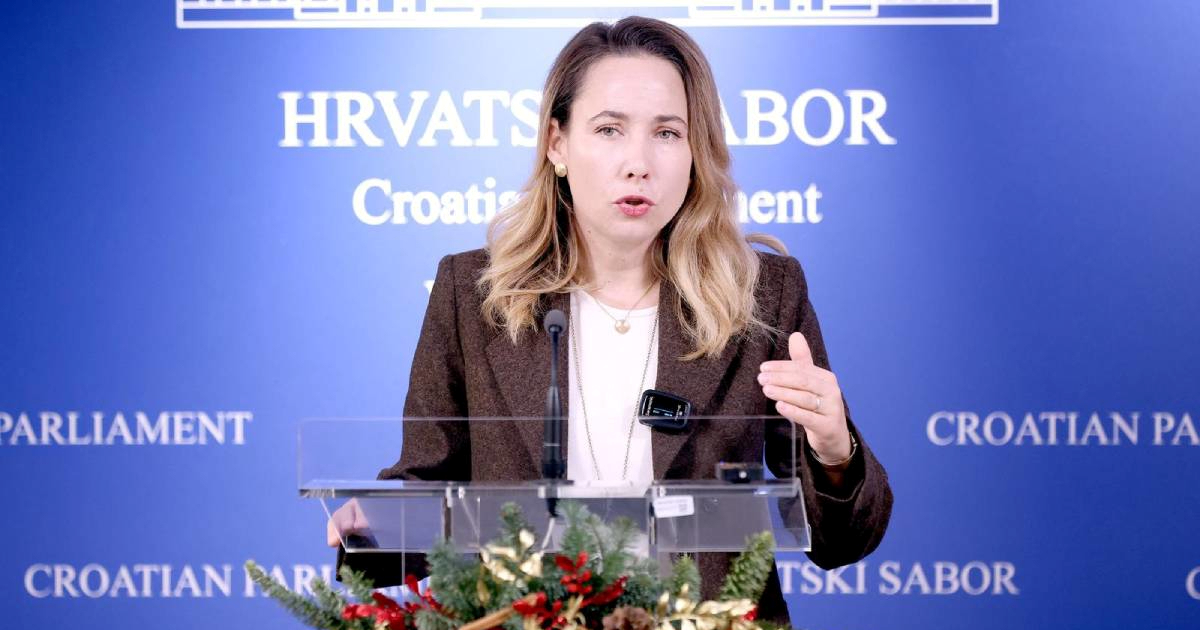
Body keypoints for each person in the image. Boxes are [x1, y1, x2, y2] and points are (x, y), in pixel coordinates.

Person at [329, 15, 892, 623]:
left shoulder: (763, 295)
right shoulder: (474, 293)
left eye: (667, 133)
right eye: (608, 129)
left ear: (696, 152)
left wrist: (834, 451)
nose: (638, 162)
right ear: (557, 143)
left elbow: (841, 543)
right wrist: (373, 531)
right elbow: (427, 491)